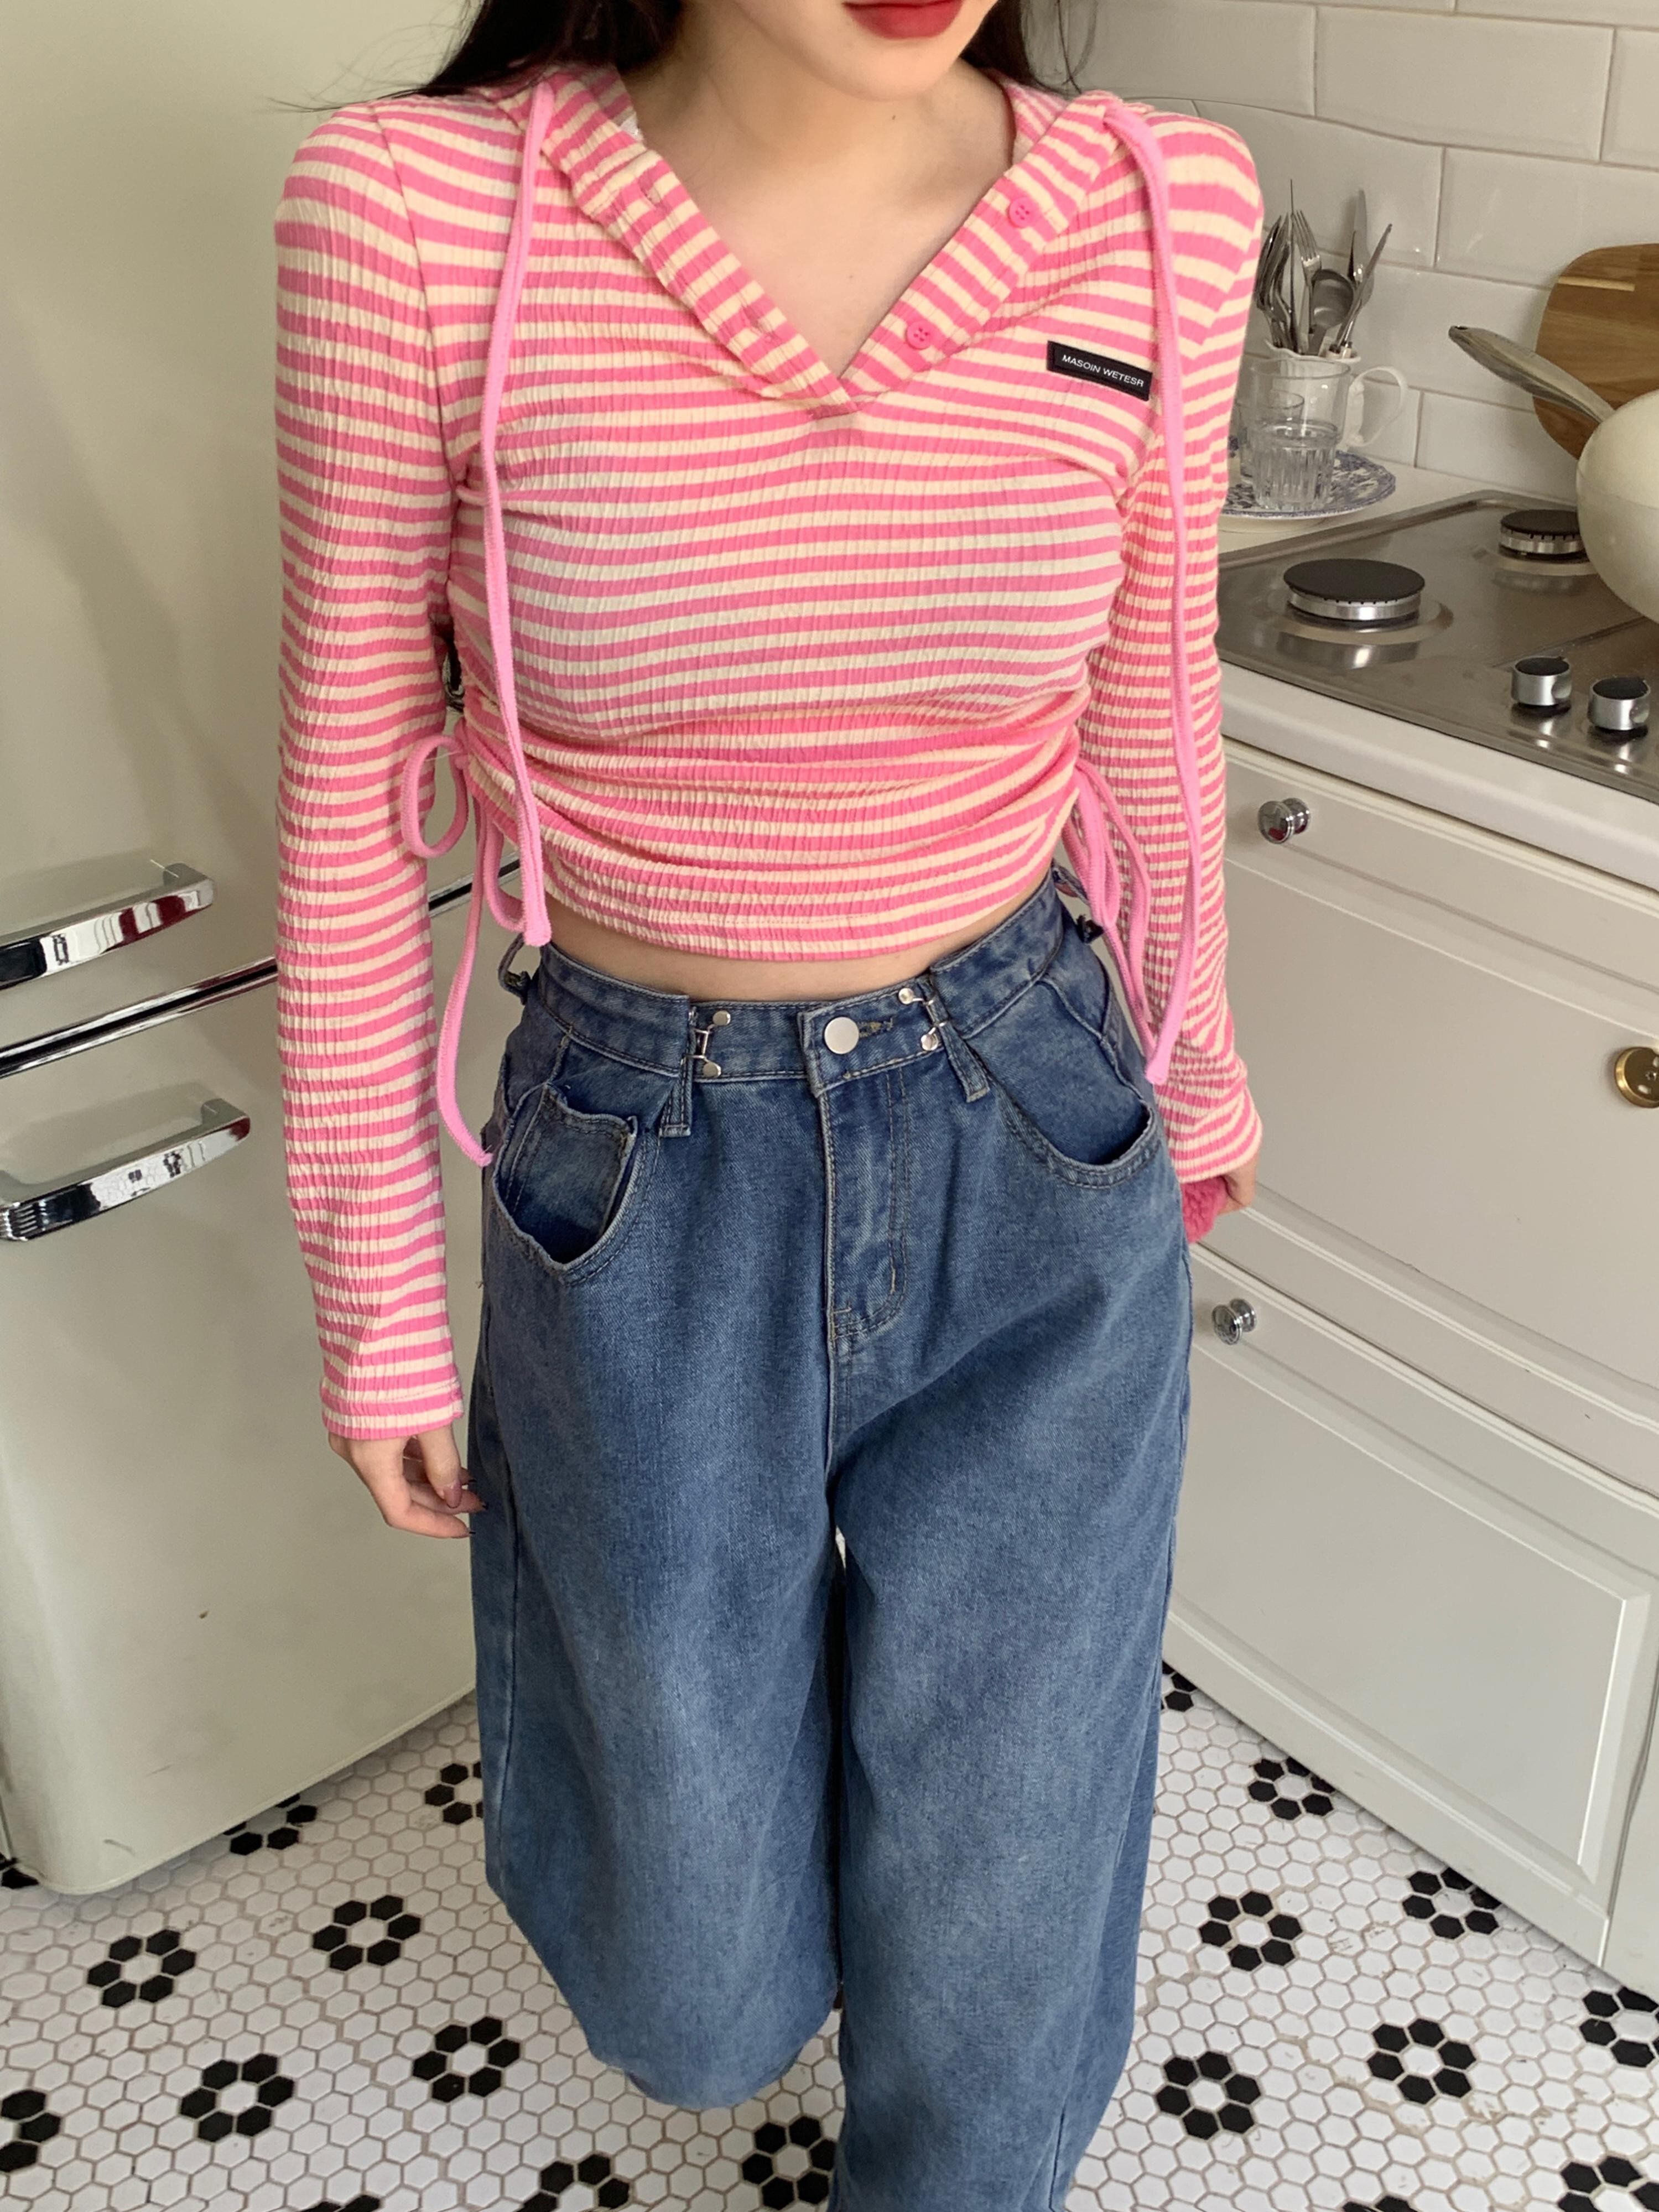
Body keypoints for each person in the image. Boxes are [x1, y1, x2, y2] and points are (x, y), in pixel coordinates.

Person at [273, 0, 1263, 2201]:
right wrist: (374, 1295)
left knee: (1008, 1863)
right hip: (641, 1153)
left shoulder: (1159, 207)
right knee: (692, 1956)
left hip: (1034, 1110)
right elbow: (346, 800)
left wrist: (1193, 1067)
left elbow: (1153, 710)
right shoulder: (415, 216)